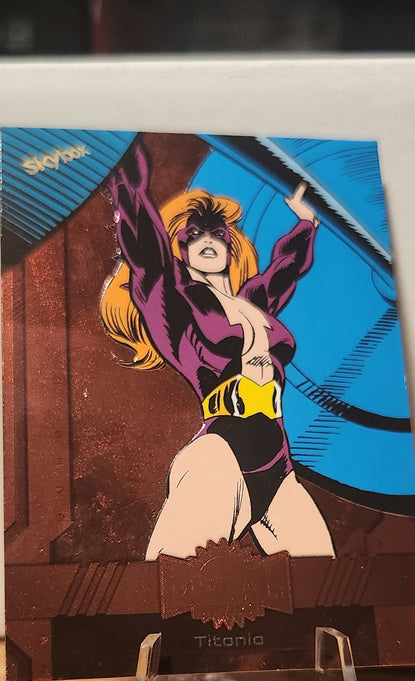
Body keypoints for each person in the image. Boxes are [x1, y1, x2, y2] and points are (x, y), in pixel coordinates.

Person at [101, 139, 335, 561]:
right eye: (193, 235)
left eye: (217, 234)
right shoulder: (176, 303)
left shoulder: (255, 303)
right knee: (170, 578)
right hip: (221, 453)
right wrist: (123, 159)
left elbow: (286, 268)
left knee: (325, 580)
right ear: (181, 248)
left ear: (231, 247)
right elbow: (144, 244)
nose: (206, 240)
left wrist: (306, 222)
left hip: (278, 466)